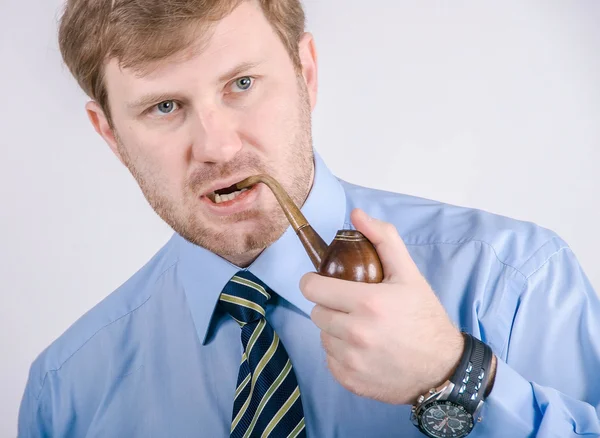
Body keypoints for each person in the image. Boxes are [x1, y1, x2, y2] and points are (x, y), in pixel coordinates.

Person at [17, 0, 600, 436]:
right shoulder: (66, 392)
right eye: (164, 106)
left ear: (307, 74)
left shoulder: (516, 282)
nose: (217, 147)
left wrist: (452, 374)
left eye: (241, 84)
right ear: (111, 136)